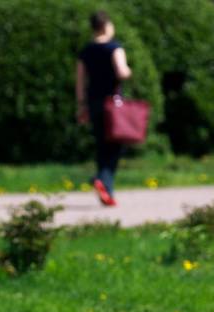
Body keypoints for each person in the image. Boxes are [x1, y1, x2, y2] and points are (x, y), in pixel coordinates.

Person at [76, 11, 132, 207]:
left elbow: (81, 80)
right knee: (116, 146)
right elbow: (121, 71)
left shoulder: (86, 50)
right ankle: (102, 180)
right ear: (107, 25)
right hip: (113, 104)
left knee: (101, 145)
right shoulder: (114, 47)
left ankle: (106, 191)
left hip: (94, 103)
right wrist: (128, 71)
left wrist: (82, 105)